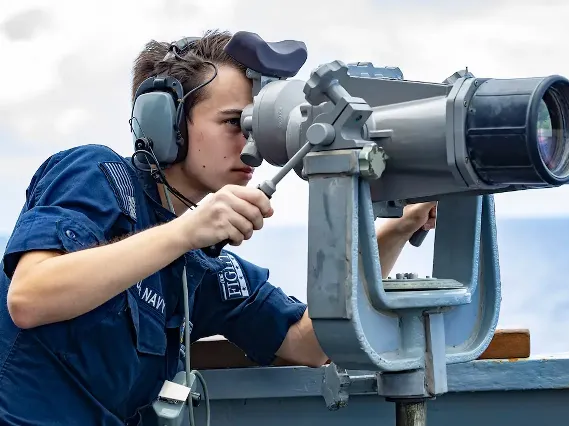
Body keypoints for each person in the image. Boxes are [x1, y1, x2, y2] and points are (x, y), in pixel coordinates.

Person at [0, 29, 437, 426]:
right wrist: (184, 233)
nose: (252, 145)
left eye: (256, 126)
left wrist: (397, 229)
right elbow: (30, 296)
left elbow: (309, 343)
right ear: (164, 123)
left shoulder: (200, 266)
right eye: (234, 123)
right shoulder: (98, 174)